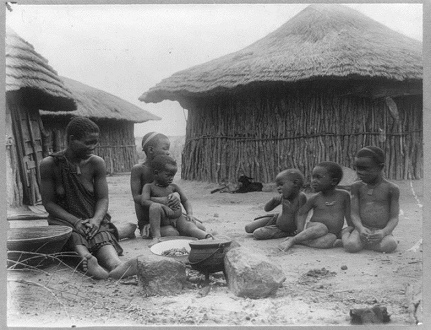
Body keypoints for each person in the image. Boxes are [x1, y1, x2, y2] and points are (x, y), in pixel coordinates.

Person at [40, 117, 137, 280]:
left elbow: (102, 199)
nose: (92, 147)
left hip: (91, 219)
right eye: (88, 143)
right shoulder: (49, 164)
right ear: (72, 140)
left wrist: (96, 220)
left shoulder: (96, 163)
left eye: (95, 142)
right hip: (64, 220)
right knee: (71, 235)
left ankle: (116, 266)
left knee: (102, 236)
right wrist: (75, 222)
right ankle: (88, 261)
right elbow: (48, 204)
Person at [130, 132, 205, 239]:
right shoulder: (139, 169)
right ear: (151, 150)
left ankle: (177, 226)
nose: (168, 152)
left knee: (200, 228)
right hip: (151, 219)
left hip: (169, 216)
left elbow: (170, 189)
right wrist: (162, 200)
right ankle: (150, 229)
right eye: (165, 148)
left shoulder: (165, 168)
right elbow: (137, 197)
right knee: (172, 233)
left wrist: (176, 196)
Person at [278, 161, 351, 252]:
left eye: (318, 177)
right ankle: (293, 240)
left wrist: (350, 227)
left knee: (330, 239)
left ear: (333, 181)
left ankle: (303, 242)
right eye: (313, 177)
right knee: (322, 228)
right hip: (314, 228)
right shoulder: (315, 198)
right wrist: (300, 229)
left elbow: (348, 214)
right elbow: (302, 213)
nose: (313, 181)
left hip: (332, 233)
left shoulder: (344, 195)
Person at [141, 154, 212, 246]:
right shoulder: (149, 187)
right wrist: (163, 206)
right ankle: (156, 237)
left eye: (173, 176)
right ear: (156, 173)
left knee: (191, 227)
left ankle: (209, 238)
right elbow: (144, 201)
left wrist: (190, 213)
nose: (171, 178)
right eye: (168, 175)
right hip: (163, 220)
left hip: (178, 218)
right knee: (155, 206)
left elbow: (185, 201)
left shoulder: (173, 187)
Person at [342, 146, 399, 253]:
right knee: (350, 246)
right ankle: (345, 233)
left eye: (365, 168)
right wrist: (360, 228)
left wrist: (384, 232)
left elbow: (394, 218)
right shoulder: (356, 187)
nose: (359, 172)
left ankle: (364, 245)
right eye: (357, 168)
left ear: (380, 167)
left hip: (381, 230)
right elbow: (354, 214)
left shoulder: (392, 189)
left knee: (390, 245)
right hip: (361, 230)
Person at [245, 169, 306, 240]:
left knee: (257, 233)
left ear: (295, 183)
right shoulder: (283, 196)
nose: (278, 188)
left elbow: (301, 215)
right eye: (277, 185)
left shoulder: (301, 197)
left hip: (284, 228)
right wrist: (273, 200)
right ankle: (271, 225)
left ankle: (288, 233)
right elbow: (267, 209)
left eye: (281, 184)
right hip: (275, 218)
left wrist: (299, 232)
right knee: (248, 228)